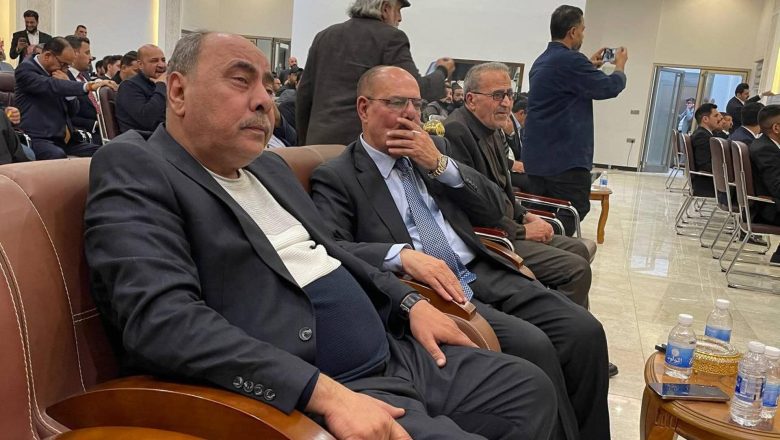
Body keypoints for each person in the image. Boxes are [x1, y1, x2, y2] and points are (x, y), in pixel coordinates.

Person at [85, 31, 558, 440]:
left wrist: (409, 303)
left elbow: (336, 252)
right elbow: (162, 322)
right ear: (178, 91)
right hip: (314, 383)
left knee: (529, 388)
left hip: (393, 352)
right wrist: (321, 392)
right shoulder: (138, 165)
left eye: (267, 86)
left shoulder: (268, 168)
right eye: (240, 80)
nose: (264, 101)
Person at [310, 65, 610, 440]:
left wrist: (439, 165)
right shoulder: (338, 175)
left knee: (584, 331)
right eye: (397, 102)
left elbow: (494, 208)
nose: (410, 113)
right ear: (364, 108)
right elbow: (334, 248)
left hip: (479, 266)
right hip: (431, 289)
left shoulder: (433, 153)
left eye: (416, 104)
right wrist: (400, 255)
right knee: (534, 346)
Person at [444, 62, 594, 310]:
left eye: (509, 94)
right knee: (576, 269)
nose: (506, 103)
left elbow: (503, 189)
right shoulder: (456, 131)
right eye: (497, 95)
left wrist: (526, 215)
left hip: (508, 225)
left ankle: (565, 315)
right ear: (470, 99)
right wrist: (521, 231)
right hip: (490, 239)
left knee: (578, 248)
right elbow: (471, 205)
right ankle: (564, 325)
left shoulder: (492, 128)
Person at [523, 5, 627, 235]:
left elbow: (563, 86)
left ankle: (540, 244)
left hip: (538, 157)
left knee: (543, 210)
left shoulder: (542, 61)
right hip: (564, 159)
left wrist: (587, 66)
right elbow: (608, 87)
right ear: (572, 32)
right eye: (582, 30)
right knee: (574, 209)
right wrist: (620, 67)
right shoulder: (571, 61)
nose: (583, 35)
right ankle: (545, 243)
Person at [296, 0, 455, 145]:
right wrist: (442, 71)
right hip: (360, 147)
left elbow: (304, 96)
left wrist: (304, 145)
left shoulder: (324, 36)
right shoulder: (391, 38)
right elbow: (416, 89)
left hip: (318, 143)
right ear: (385, 9)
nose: (400, 18)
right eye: (398, 10)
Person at [14, 37, 115, 160]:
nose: (66, 69)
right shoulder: (25, 70)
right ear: (47, 56)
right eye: (63, 64)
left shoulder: (60, 75)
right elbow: (51, 85)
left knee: (105, 152)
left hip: (65, 139)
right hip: (38, 138)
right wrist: (88, 86)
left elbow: (73, 111)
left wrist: (69, 92)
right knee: (57, 155)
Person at [748, 105, 780, 264]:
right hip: (767, 209)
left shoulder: (764, 145)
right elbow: (777, 188)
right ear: (776, 128)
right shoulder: (766, 150)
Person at [115, 44, 167, 133]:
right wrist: (161, 85)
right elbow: (147, 119)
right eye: (154, 61)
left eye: (163, 60)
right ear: (140, 64)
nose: (161, 65)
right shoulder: (129, 86)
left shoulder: (161, 83)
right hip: (143, 138)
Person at [64, 36, 100, 137]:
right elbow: (66, 114)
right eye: (87, 53)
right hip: (83, 134)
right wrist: (94, 124)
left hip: (101, 131)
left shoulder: (85, 75)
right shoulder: (63, 78)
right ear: (74, 54)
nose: (91, 57)